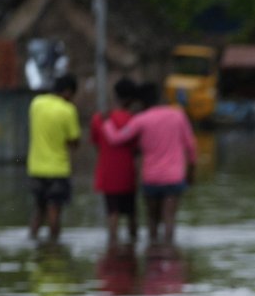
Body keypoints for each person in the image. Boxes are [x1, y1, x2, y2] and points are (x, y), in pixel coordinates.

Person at [101, 82, 197, 246]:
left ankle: (153, 258)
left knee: (152, 221)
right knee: (169, 220)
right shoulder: (178, 115)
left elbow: (116, 138)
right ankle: (168, 256)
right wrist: (191, 173)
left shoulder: (141, 120)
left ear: (143, 102)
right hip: (174, 178)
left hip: (151, 178)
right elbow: (191, 147)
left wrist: (106, 122)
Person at [26, 73, 81, 243]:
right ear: (67, 92)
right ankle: (54, 248)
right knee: (54, 211)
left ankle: (32, 239)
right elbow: (74, 142)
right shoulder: (68, 110)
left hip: (35, 168)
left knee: (38, 210)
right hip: (57, 169)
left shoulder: (36, 104)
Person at [90, 77, 140, 246]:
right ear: (132, 99)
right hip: (128, 175)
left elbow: (96, 144)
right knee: (132, 213)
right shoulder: (134, 120)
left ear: (115, 95)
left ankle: (112, 246)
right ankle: (132, 247)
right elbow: (137, 149)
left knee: (112, 212)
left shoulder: (99, 119)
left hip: (107, 174)